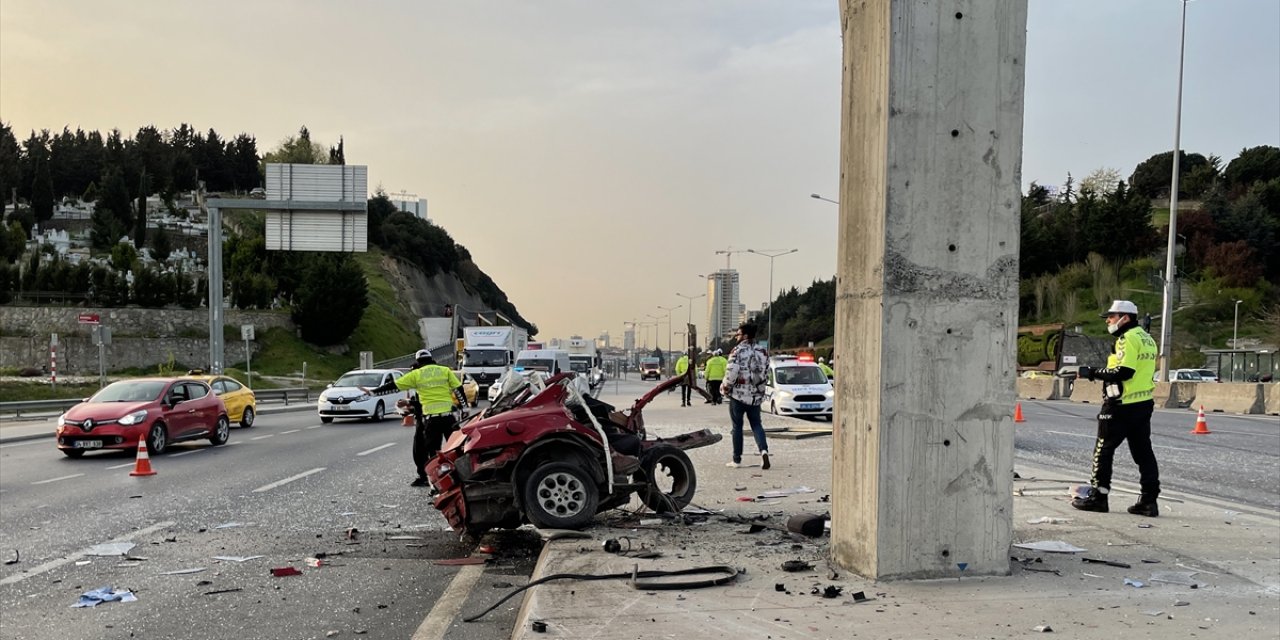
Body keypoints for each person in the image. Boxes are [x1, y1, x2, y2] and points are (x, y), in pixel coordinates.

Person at [1071, 300, 1161, 517]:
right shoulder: (1147, 338)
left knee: (1103, 450)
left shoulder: (1126, 338)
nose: (1108, 321)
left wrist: (1091, 372)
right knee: (1143, 453)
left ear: (1125, 317)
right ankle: (1149, 501)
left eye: (1111, 316)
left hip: (1120, 405)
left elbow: (1124, 371)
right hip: (1143, 404)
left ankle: (1099, 497)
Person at [364, 349, 466, 487]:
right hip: (449, 418)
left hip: (431, 420)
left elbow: (394, 386)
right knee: (457, 447)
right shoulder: (444, 370)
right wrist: (464, 408)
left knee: (433, 453)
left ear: (418, 362)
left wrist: (373, 392)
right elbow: (459, 389)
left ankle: (436, 484)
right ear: (431, 359)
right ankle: (463, 477)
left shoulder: (416, 374)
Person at [720, 322, 771, 469]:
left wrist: (725, 389)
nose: (737, 336)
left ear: (745, 336)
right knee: (756, 425)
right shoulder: (763, 351)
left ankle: (737, 460)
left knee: (737, 427)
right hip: (755, 396)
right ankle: (764, 451)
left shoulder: (737, 351)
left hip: (738, 396)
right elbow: (766, 372)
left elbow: (731, 373)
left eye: (739, 334)